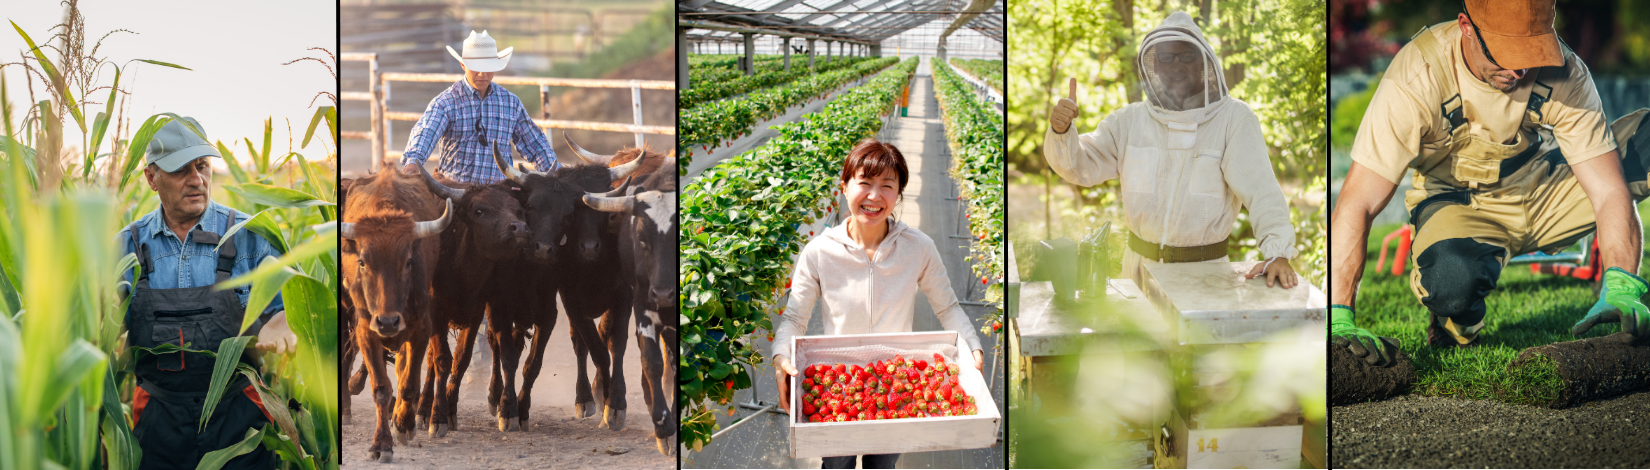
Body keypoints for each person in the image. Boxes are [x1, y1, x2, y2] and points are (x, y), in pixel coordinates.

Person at [1332, 0, 1650, 366]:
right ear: (1466, 27)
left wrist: (1621, 282)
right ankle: (1457, 322)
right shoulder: (1417, 75)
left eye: (1530, 53)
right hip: (1458, 205)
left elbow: (1608, 188)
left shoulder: (1565, 71)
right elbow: (1358, 202)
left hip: (1543, 188)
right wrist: (1339, 313)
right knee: (1451, 282)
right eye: (1505, 54)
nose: (1518, 70)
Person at [1043, 11, 1301, 291]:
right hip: (1137, 274)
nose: (1176, 65)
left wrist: (1277, 253)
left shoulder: (1233, 120)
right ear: (1154, 65)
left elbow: (1262, 191)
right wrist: (1061, 131)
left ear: (1203, 61)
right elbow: (1079, 166)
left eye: (1186, 55)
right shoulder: (1129, 121)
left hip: (1206, 278)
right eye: (1166, 57)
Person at [771, 139, 987, 470]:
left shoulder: (918, 247)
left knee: (883, 464)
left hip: (897, 383)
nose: (875, 196)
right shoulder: (819, 252)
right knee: (837, 464)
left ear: (898, 194)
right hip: (839, 384)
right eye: (865, 183)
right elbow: (794, 320)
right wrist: (780, 356)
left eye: (887, 185)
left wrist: (972, 345)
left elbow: (948, 308)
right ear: (845, 187)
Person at [118, 117, 291, 470]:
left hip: (241, 418)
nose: (196, 179)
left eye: (202, 165)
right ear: (151, 178)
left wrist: (283, 321)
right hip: (157, 420)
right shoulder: (126, 247)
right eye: (180, 169)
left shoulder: (251, 236)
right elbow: (98, 325)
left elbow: (293, 308)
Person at [399, 30, 557, 183]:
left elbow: (534, 144)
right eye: (476, 66)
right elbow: (426, 132)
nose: (482, 74)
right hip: (458, 192)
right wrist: (413, 161)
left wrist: (557, 172)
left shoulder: (511, 103)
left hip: (499, 193)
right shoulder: (446, 102)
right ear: (463, 65)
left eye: (488, 67)